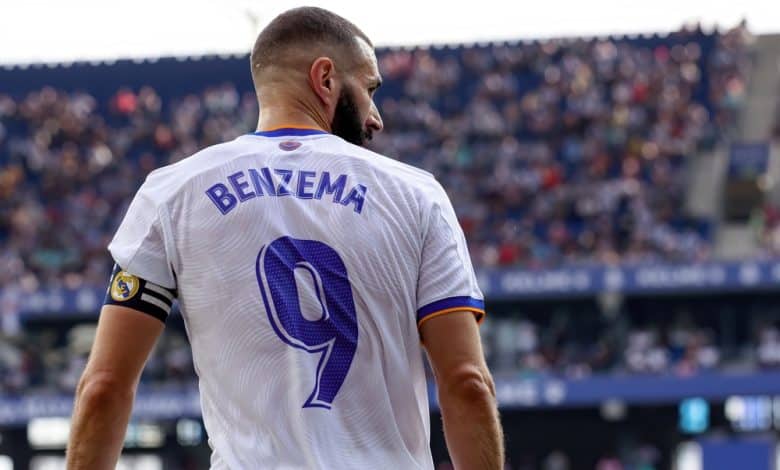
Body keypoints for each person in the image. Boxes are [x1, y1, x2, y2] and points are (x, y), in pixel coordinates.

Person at [66, 6, 503, 469]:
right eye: (370, 89)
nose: (375, 117)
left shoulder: (172, 193)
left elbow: (104, 387)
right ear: (325, 78)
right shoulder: (415, 194)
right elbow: (467, 382)